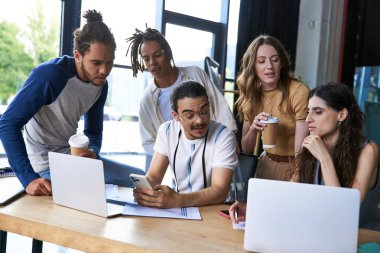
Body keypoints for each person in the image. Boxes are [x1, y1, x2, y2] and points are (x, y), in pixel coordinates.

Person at [0, 10, 143, 196]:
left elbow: (93, 131)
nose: (104, 70)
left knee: (141, 179)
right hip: (44, 166)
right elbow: (7, 123)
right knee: (89, 197)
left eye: (109, 63)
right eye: (96, 63)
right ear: (77, 56)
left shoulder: (101, 85)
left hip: (73, 159)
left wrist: (92, 150)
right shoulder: (50, 75)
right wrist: (28, 178)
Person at [229, 83, 379, 227]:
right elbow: (289, 195)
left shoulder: (368, 150)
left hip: (361, 238)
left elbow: (346, 212)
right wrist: (253, 210)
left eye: (318, 112)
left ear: (341, 115)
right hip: (322, 232)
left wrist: (324, 158)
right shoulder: (311, 145)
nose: (308, 119)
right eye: (308, 112)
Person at [125, 27, 237, 171]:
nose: (152, 62)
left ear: (168, 53)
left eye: (157, 55)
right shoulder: (146, 101)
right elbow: (149, 142)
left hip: (213, 151)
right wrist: (172, 160)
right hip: (177, 166)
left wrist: (230, 137)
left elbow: (220, 107)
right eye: (146, 58)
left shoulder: (196, 74)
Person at [133, 81, 238, 208]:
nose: (199, 120)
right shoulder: (166, 131)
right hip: (178, 210)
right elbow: (154, 176)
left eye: (204, 112)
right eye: (190, 116)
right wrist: (145, 191)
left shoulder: (223, 136)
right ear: (176, 116)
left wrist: (178, 200)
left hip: (213, 209)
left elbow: (220, 190)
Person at [235, 35, 309, 181]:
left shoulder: (298, 91)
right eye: (261, 61)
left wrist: (297, 175)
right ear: (253, 66)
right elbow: (247, 149)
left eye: (274, 60)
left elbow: (302, 148)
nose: (269, 66)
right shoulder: (251, 95)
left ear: (281, 63)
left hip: (295, 166)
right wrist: (253, 129)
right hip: (265, 164)